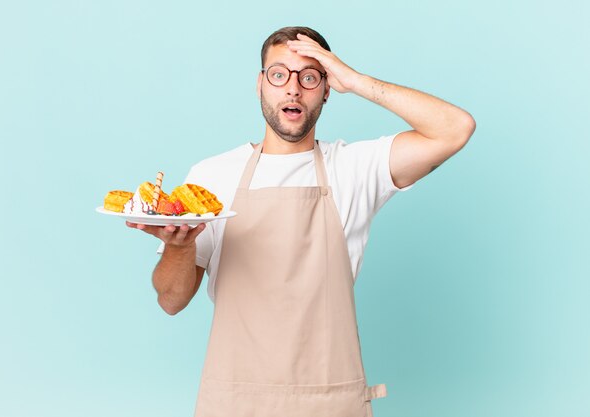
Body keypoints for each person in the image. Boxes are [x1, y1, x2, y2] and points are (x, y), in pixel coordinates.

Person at [127, 26, 475, 417]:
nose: (293, 89)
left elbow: (455, 128)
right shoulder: (212, 178)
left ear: (327, 89)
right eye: (279, 75)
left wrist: (356, 80)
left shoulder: (356, 169)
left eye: (309, 77)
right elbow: (171, 300)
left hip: (329, 403)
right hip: (236, 401)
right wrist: (180, 246)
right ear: (260, 85)